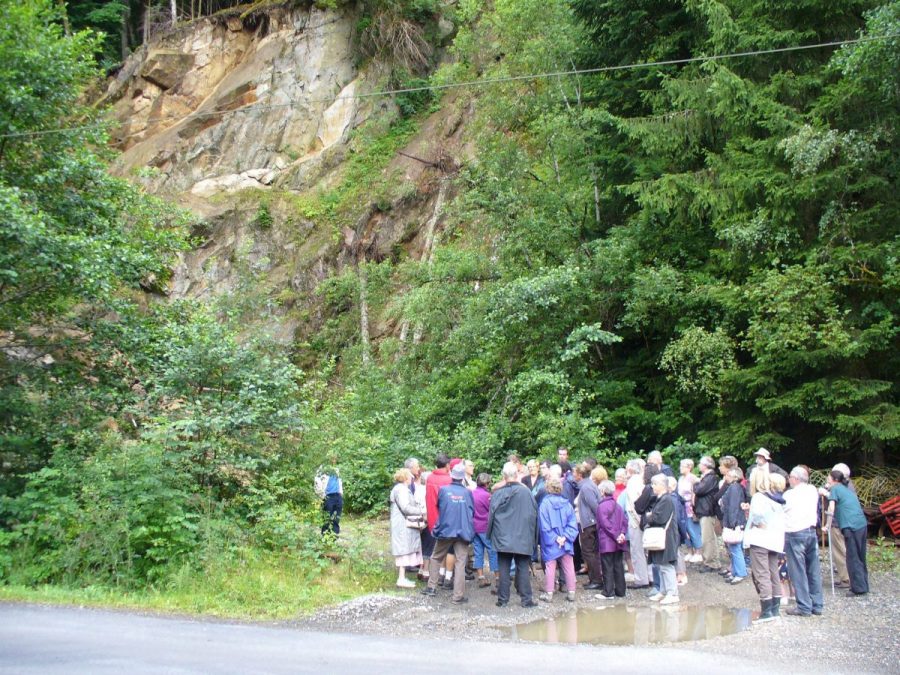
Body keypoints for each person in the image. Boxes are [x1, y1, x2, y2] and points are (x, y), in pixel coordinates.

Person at [421, 462, 475, 604]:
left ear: (452, 476)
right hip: (462, 531)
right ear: (462, 477)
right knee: (460, 561)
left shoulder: (444, 490)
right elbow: (471, 511)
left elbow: (439, 506)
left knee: (436, 557)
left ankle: (431, 587)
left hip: (446, 529)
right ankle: (458, 596)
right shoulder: (467, 493)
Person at [488, 462, 539, 608]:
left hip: (503, 538)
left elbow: (491, 517)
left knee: (503, 568)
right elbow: (533, 516)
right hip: (523, 537)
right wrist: (533, 539)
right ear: (516, 475)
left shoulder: (498, 494)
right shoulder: (527, 493)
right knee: (522, 567)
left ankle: (503, 600)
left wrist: (491, 536)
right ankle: (526, 600)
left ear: (504, 476)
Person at [744, 471, 786, 623]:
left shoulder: (759, 497)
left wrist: (757, 521)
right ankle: (775, 608)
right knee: (773, 572)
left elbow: (756, 515)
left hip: (760, 539)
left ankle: (766, 610)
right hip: (775, 540)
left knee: (761, 573)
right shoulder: (779, 499)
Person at [783, 466, 824, 616]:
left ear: (795, 479)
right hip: (811, 532)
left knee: (798, 570)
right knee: (813, 569)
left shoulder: (789, 495)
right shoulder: (812, 490)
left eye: (790, 478)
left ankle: (804, 606)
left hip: (795, 533)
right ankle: (817, 604)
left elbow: (782, 510)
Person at [822, 468, 868, 597]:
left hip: (850, 525)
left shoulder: (835, 489)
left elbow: (831, 508)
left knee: (852, 557)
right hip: (861, 524)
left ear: (834, 480)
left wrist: (827, 525)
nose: (827, 479)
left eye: (829, 477)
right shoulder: (846, 488)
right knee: (860, 555)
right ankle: (863, 584)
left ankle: (857, 588)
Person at [538, 476, 578, 602]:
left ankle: (549, 593)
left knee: (550, 566)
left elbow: (544, 526)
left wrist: (555, 538)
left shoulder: (544, 504)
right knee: (568, 565)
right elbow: (573, 523)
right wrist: (565, 537)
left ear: (548, 489)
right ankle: (571, 592)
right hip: (566, 541)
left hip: (551, 541)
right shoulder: (567, 504)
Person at [645, 474, 680, 604]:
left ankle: (673, 593)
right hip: (663, 536)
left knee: (666, 565)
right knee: (660, 564)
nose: (652, 487)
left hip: (667, 536)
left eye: (654, 484)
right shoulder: (661, 499)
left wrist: (649, 516)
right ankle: (664, 591)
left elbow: (659, 518)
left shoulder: (666, 499)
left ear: (661, 485)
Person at [389, 468, 424, 588]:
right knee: (403, 550)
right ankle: (401, 578)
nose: (412, 478)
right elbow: (406, 508)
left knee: (405, 549)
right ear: (405, 478)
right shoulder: (402, 490)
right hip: (402, 525)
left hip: (401, 524)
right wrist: (421, 511)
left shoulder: (399, 489)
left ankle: (402, 577)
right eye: (410, 476)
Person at [595, 480, 628, 600]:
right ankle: (621, 590)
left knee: (607, 566)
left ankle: (608, 591)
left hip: (607, 541)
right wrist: (622, 534)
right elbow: (625, 521)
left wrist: (615, 535)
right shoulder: (617, 505)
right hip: (618, 541)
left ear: (603, 491)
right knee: (618, 565)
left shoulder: (601, 506)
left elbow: (605, 524)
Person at [576, 463, 604, 590]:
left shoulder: (586, 487)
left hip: (589, 524)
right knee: (590, 552)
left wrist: (593, 521)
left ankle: (596, 580)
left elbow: (595, 506)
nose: (573, 475)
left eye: (574, 473)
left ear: (580, 475)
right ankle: (594, 579)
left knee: (589, 552)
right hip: (590, 523)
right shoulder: (587, 485)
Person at [623, 459, 651, 588]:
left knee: (637, 550)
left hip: (636, 521)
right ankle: (649, 576)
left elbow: (635, 504)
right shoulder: (641, 481)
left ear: (630, 469)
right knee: (646, 550)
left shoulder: (632, 482)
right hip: (642, 519)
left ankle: (641, 579)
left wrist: (638, 521)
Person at [828, 462, 855, 588]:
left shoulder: (839, 488)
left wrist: (826, 492)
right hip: (847, 522)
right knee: (844, 549)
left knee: (840, 550)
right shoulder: (850, 485)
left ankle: (846, 578)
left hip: (838, 522)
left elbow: (835, 501)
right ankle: (846, 576)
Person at [720, 468, 748, 585]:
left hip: (734, 522)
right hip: (735, 521)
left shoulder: (735, 488)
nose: (726, 477)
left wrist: (731, 524)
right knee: (734, 548)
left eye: (728, 475)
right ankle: (736, 572)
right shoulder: (735, 487)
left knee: (736, 548)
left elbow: (733, 507)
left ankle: (740, 573)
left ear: (734, 476)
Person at [694, 456, 721, 572]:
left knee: (707, 538)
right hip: (705, 510)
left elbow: (699, 490)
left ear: (705, 466)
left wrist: (695, 483)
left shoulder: (710, 478)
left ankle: (710, 562)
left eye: (700, 463)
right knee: (709, 537)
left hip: (707, 511)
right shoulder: (707, 478)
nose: (699, 465)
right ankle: (713, 561)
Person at [472, 473, 498, 589]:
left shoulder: (471, 493)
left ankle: (481, 577)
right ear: (487, 483)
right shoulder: (487, 496)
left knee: (478, 552)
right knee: (492, 551)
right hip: (485, 527)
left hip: (474, 527)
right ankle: (498, 578)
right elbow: (492, 511)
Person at [677, 459, 702, 563]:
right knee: (685, 528)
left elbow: (696, 493)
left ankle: (698, 552)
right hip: (681, 506)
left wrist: (694, 506)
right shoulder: (680, 479)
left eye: (683, 466)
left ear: (689, 467)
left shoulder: (694, 479)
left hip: (690, 506)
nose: (680, 468)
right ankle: (689, 551)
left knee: (693, 528)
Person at [315, 455, 343, 536]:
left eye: (335, 457)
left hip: (338, 495)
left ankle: (334, 535)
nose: (334, 459)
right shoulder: (322, 468)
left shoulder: (337, 469)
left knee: (337, 517)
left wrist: (341, 493)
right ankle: (325, 535)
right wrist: (322, 495)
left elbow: (339, 481)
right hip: (328, 496)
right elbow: (317, 481)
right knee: (327, 517)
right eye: (332, 457)